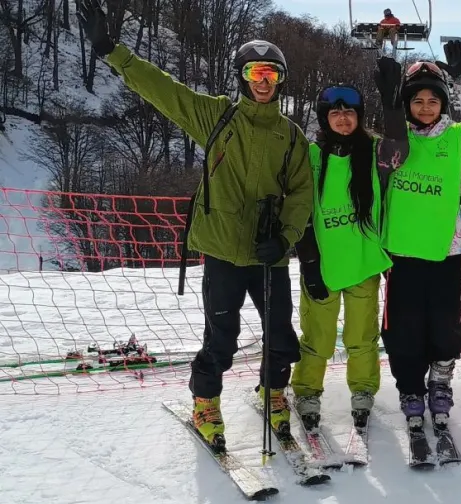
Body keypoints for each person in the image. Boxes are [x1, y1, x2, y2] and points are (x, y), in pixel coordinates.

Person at [77, 0, 313, 451]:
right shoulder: (217, 116)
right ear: (241, 77)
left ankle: (273, 390)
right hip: (223, 250)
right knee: (222, 336)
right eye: (254, 74)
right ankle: (205, 400)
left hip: (269, 252)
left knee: (282, 337)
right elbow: (162, 90)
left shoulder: (291, 135)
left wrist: (284, 235)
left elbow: (302, 193)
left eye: (271, 75)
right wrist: (112, 50)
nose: (263, 83)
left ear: (281, 81)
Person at [380, 33, 461, 431]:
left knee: (446, 324)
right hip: (404, 251)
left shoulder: (459, 138)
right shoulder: (397, 141)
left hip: (452, 251)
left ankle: (441, 378)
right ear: (407, 105)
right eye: (417, 100)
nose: (426, 107)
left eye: (433, 100)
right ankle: (410, 386)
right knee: (405, 326)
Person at [288, 57, 407, 431]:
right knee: (317, 336)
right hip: (323, 262)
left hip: (363, 262)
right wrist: (308, 262)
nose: (342, 118)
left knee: (362, 335)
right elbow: (301, 210)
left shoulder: (372, 152)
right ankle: (307, 390)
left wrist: (392, 105)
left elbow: (399, 146)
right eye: (335, 113)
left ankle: (363, 390)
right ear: (325, 118)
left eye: (350, 112)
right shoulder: (310, 156)